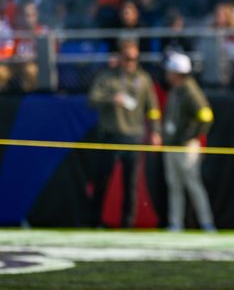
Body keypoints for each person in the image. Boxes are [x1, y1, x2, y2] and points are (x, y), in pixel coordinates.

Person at [87, 39, 162, 228]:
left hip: (133, 136)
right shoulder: (107, 77)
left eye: (134, 59)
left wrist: (155, 131)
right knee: (102, 179)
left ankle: (127, 222)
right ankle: (95, 220)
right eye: (128, 58)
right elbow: (92, 99)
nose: (131, 63)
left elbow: (152, 108)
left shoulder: (143, 79)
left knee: (131, 183)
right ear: (120, 58)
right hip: (110, 134)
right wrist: (111, 99)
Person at [162, 52, 216, 232]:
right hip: (173, 145)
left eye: (170, 70)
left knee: (193, 185)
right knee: (174, 186)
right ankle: (175, 223)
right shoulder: (175, 90)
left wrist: (191, 136)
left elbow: (206, 116)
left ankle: (206, 222)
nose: (167, 74)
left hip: (186, 146)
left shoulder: (190, 90)